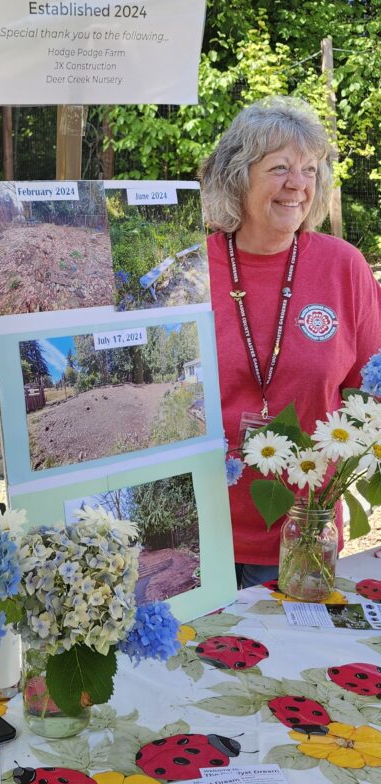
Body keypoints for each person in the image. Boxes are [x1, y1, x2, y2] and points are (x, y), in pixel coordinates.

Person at [200, 96, 381, 589]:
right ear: (238, 176)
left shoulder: (344, 268)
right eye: (279, 168)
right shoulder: (189, 271)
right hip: (191, 534)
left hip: (303, 532)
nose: (298, 184)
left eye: (309, 168)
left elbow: (370, 397)